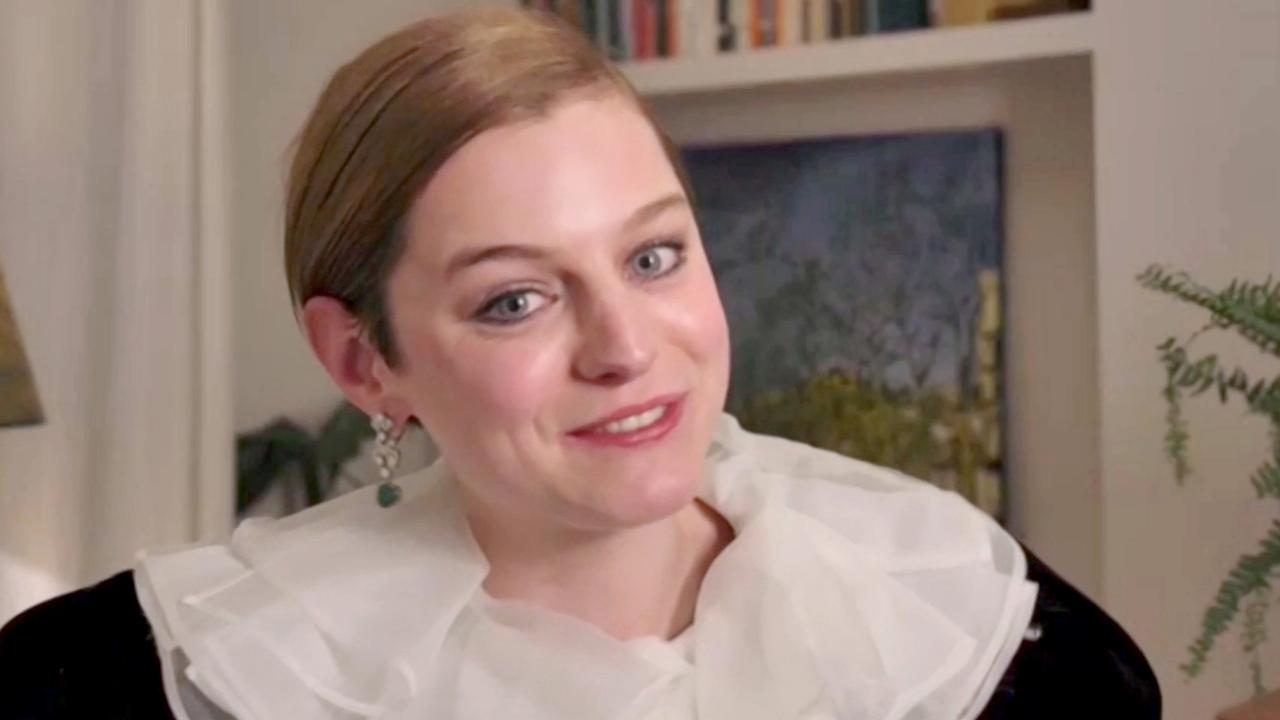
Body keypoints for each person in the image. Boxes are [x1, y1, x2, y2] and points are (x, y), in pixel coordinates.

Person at [0, 8, 1159, 719]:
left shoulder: (990, 645)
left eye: (652, 255)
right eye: (514, 299)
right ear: (364, 362)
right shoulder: (112, 685)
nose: (624, 347)